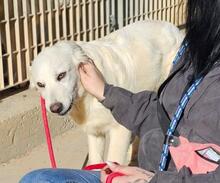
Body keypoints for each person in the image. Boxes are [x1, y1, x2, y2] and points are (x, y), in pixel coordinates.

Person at [19, 0, 220, 182]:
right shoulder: (195, 60)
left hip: (163, 177)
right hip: (155, 168)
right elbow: (162, 112)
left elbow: (121, 127)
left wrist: (137, 178)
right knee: (38, 178)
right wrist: (106, 91)